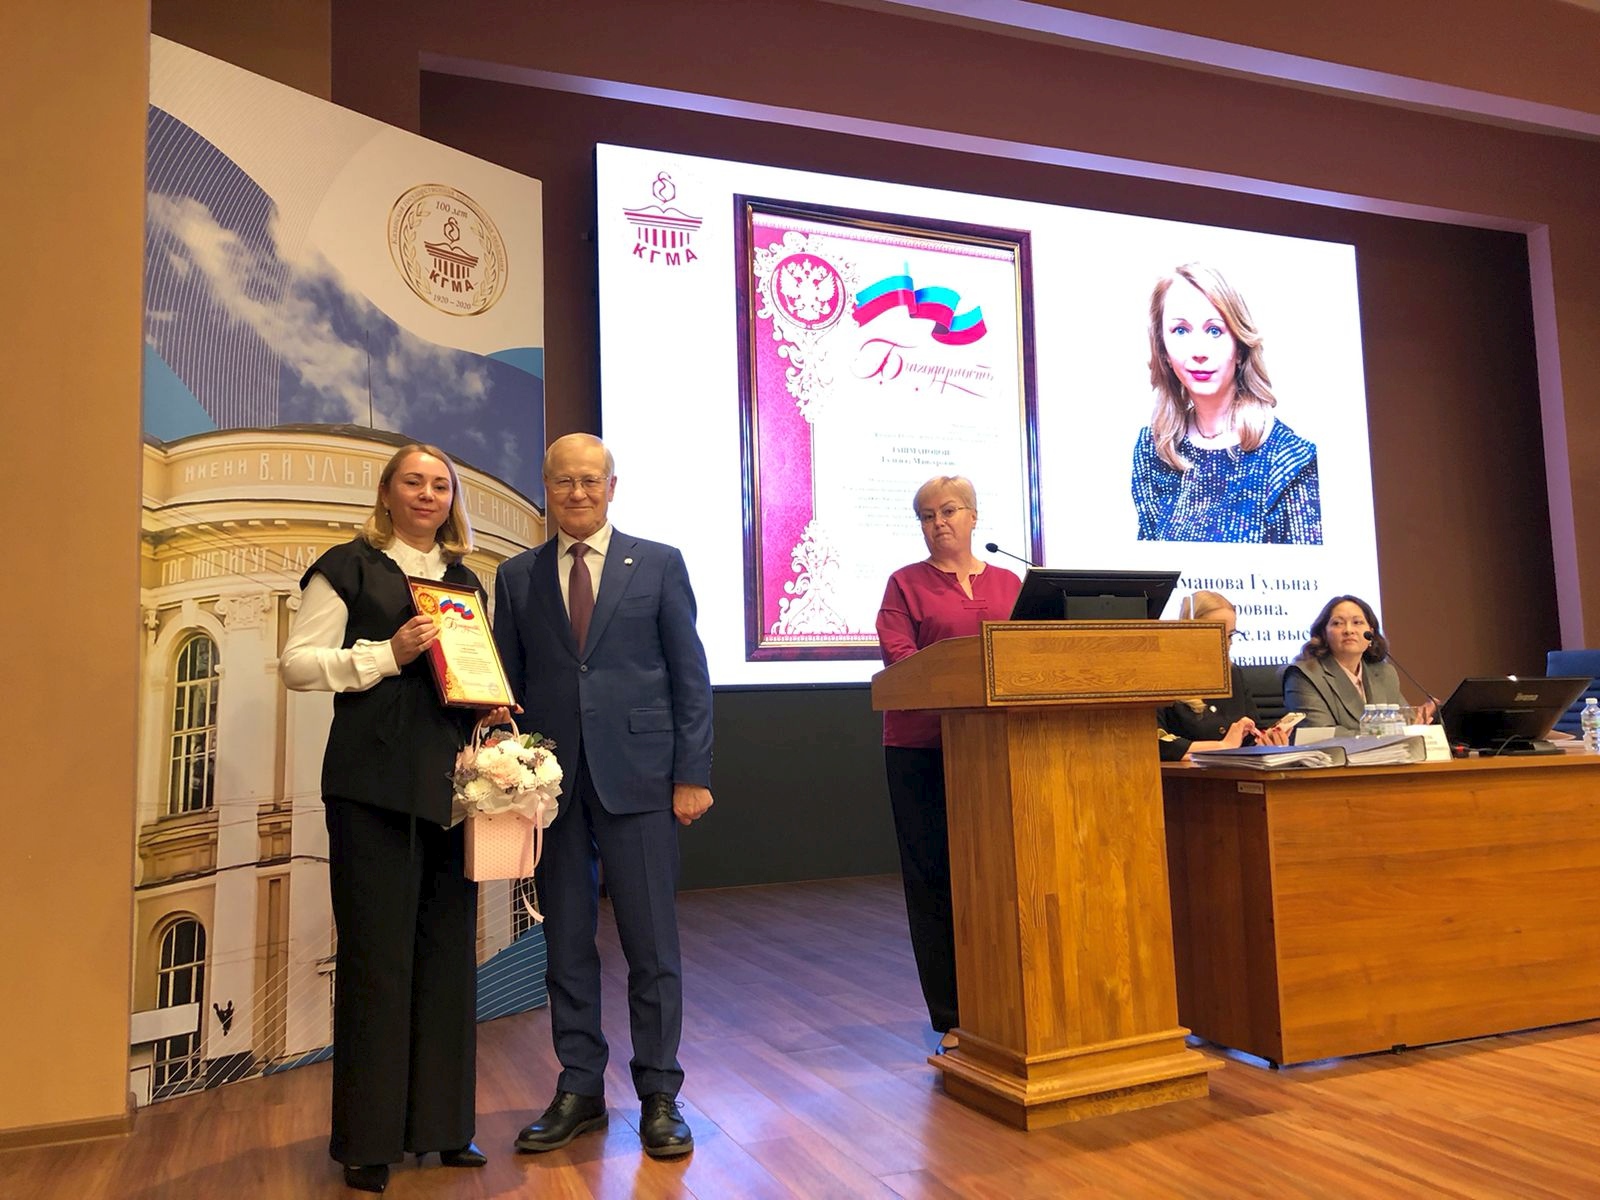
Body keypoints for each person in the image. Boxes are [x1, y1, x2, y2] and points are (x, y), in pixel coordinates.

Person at [280, 443, 495, 1194]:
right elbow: (296, 664)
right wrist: (385, 654)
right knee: (376, 962)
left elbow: (465, 679)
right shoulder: (348, 567)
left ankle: (445, 1129)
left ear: (451, 500)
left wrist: (490, 707)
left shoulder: (464, 582)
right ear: (387, 491)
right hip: (370, 791)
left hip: (451, 795)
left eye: (441, 485)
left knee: (446, 959)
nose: (428, 494)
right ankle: (368, 1142)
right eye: (414, 481)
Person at [493, 433, 713, 1161]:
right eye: (564, 481)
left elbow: (689, 677)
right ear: (547, 488)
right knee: (565, 943)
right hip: (551, 788)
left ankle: (660, 1094)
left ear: (612, 486)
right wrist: (505, 770)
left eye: (591, 480)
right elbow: (508, 690)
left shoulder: (659, 563)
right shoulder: (516, 577)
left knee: (651, 945)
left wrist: (692, 773)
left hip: (643, 779)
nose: (578, 492)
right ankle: (580, 1087)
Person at [876, 476, 1022, 1052]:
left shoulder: (1010, 582)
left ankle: (1003, 1001)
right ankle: (953, 1014)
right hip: (922, 749)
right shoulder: (904, 584)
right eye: (926, 515)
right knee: (934, 876)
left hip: (996, 748)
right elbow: (902, 659)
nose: (938, 522)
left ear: (973, 516)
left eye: (949, 511)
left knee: (998, 874)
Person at [1131, 262, 1322, 544]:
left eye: (1214, 331)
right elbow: (1149, 568)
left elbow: (1310, 571)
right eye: (1181, 330)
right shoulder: (1152, 450)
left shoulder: (1291, 458)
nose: (1198, 351)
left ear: (1240, 348)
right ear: (1163, 351)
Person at [1155, 590, 1292, 761]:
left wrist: (1266, 738)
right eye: (1218, 633)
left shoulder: (1232, 673)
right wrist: (1222, 746)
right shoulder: (1162, 675)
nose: (1227, 643)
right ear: (1191, 631)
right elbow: (1158, 743)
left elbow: (1249, 735)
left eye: (1230, 635)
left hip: (1233, 769)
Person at [1282, 594, 1437, 733]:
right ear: (1324, 633)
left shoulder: (1384, 673)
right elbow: (1321, 734)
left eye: (1357, 622)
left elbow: (1402, 721)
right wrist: (1391, 734)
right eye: (1337, 623)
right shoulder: (1303, 676)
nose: (1349, 630)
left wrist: (1414, 724)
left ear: (1371, 633)